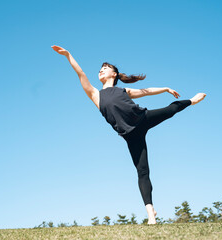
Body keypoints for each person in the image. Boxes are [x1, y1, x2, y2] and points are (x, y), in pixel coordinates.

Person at [51, 45, 206, 225]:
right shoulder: (95, 94)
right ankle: (151, 215)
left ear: (114, 74)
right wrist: (68, 55)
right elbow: (81, 73)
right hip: (131, 135)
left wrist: (165, 88)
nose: (101, 70)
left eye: (105, 68)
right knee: (143, 172)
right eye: (100, 69)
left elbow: (146, 91)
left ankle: (192, 101)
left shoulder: (124, 91)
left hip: (143, 119)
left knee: (171, 109)